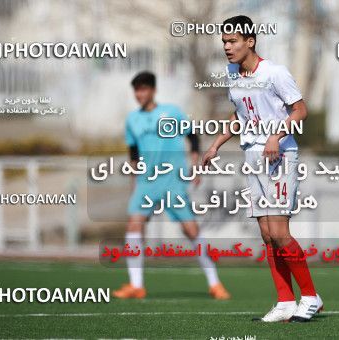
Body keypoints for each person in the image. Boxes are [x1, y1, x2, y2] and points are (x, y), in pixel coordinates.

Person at [202, 15, 322, 322]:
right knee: (267, 234)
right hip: (252, 157)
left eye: (232, 41)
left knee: (280, 232)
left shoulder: (275, 72)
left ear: (250, 41)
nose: (227, 48)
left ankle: (310, 296)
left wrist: (277, 135)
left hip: (279, 157)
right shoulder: (233, 74)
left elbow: (300, 110)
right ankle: (284, 301)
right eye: (224, 42)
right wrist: (216, 144)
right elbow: (239, 114)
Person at [113, 71, 230, 300]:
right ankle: (136, 285)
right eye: (136, 90)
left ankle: (215, 283)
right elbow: (133, 153)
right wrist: (134, 182)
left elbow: (193, 137)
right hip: (146, 182)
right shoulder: (132, 120)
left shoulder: (172, 112)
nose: (139, 94)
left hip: (172, 182)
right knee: (134, 225)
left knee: (191, 230)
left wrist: (195, 165)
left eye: (143, 89)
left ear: (153, 90)